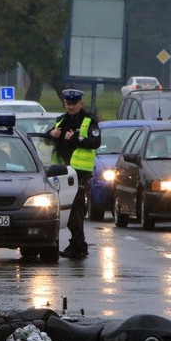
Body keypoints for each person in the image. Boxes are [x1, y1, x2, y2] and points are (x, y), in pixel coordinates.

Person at [47, 88, 101, 259]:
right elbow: (46, 138)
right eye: (68, 104)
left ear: (80, 103)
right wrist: (50, 134)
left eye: (73, 104)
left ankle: (78, 244)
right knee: (69, 208)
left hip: (80, 171)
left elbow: (95, 142)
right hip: (63, 170)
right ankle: (78, 244)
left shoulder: (89, 120)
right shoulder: (61, 120)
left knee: (74, 208)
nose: (70, 107)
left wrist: (75, 139)